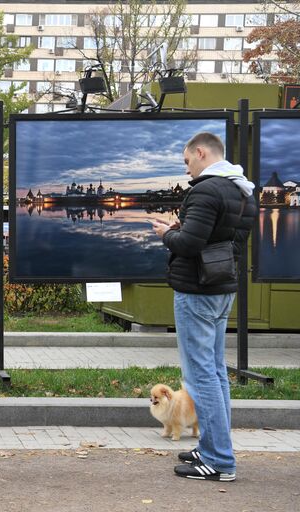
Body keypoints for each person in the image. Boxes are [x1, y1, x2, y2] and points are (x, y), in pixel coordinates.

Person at [150, 132, 256, 482]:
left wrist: (167, 233)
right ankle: (212, 447)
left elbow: (191, 244)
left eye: (187, 162)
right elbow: (222, 238)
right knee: (214, 372)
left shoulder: (206, 190)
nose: (187, 169)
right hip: (223, 289)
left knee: (199, 377)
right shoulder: (243, 190)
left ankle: (219, 460)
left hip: (197, 291)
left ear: (200, 153)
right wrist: (185, 227)